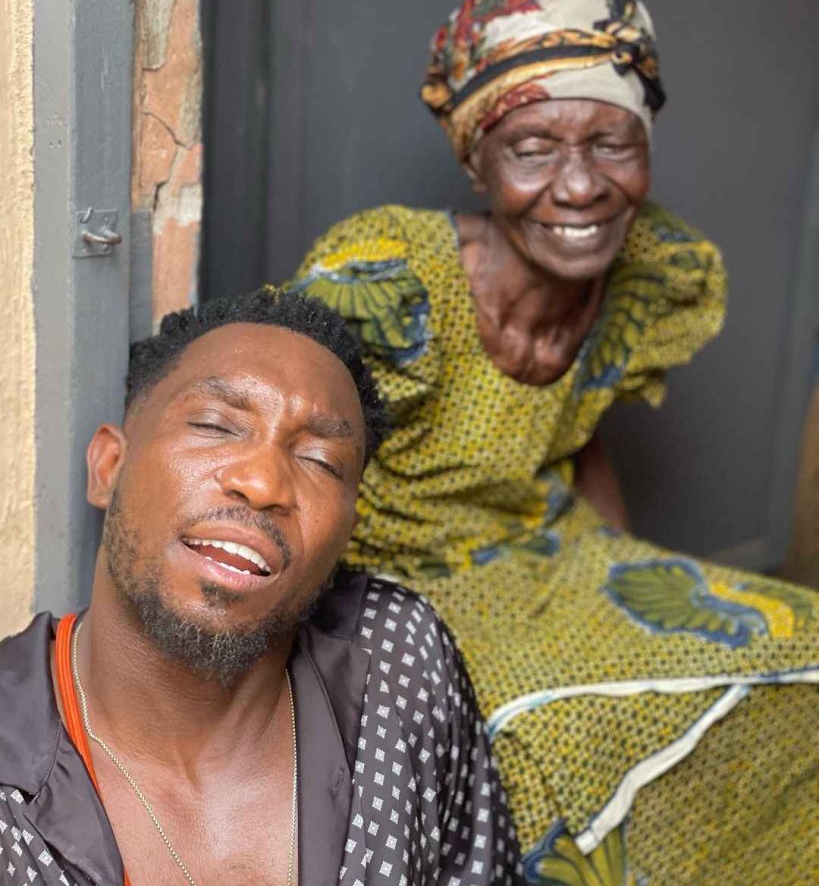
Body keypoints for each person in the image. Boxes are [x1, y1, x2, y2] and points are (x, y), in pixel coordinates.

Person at [291, 0, 819, 884]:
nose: (580, 188)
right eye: (532, 148)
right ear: (474, 160)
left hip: (546, 546)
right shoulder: (392, 278)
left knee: (800, 645)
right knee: (539, 740)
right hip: (388, 581)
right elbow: (288, 457)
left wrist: (627, 581)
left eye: (612, 143)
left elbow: (578, 432)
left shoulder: (649, 266)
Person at [0, 290, 522, 886]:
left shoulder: (395, 659)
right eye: (216, 425)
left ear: (348, 530)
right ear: (109, 467)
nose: (264, 481)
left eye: (322, 461)